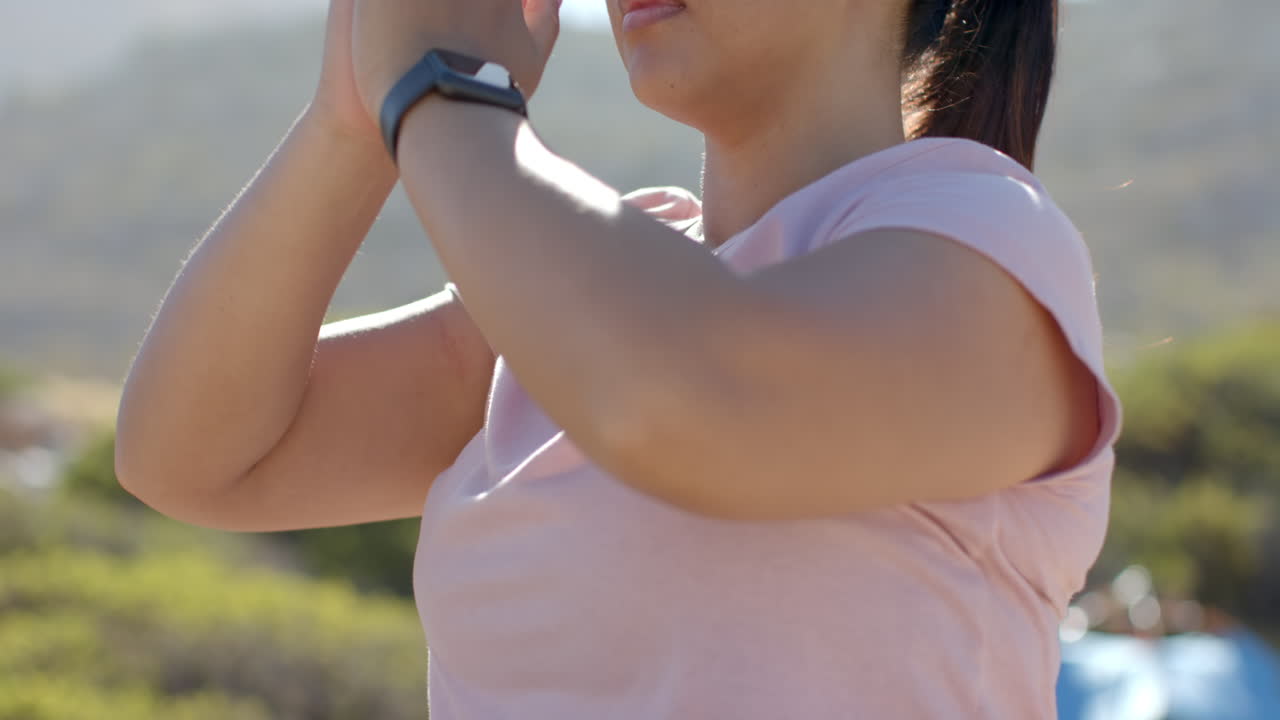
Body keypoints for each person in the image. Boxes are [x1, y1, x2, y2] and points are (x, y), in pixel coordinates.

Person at [114, 0, 1124, 716]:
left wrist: (445, 90)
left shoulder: (992, 238)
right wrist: (351, 115)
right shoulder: (591, 295)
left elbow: (695, 403)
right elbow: (194, 458)